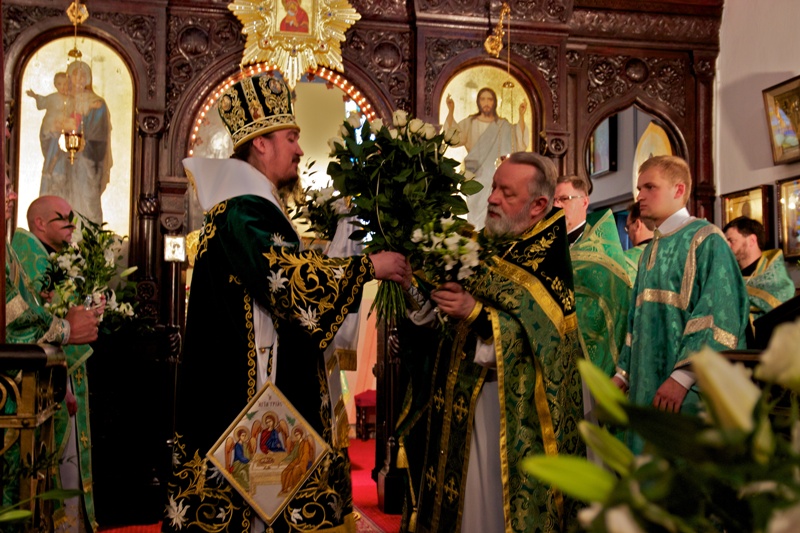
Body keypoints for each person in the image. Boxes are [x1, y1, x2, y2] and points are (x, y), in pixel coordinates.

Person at [163, 72, 410, 533]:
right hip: (246, 393)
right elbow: (286, 281)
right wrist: (366, 267)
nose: (299, 149)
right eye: (291, 138)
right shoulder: (243, 208)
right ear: (260, 143)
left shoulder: (247, 206)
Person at [399, 152, 585, 533]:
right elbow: (440, 316)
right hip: (456, 409)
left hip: (505, 418)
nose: (493, 198)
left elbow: (545, 345)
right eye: (495, 187)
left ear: (538, 205)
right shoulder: (482, 245)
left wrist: (476, 314)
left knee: (488, 512)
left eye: (507, 192)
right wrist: (412, 287)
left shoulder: (547, 261)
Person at [612, 156, 748, 454]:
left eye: (650, 187)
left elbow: (719, 315)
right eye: (639, 188)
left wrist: (682, 377)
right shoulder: (650, 249)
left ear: (679, 189)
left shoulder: (706, 239)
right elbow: (636, 320)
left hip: (685, 393)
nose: (640, 196)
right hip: (646, 387)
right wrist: (622, 375)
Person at [2, 176, 101, 517]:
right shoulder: (27, 254)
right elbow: (16, 317)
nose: (12, 194)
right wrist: (67, 328)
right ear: (40, 223)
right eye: (5, 187)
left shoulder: (19, 251)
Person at [554, 175, 631, 377]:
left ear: (584, 202)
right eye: (554, 200)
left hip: (589, 360)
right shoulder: (548, 245)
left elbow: (612, 305)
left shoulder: (602, 251)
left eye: (564, 199)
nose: (557, 205)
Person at [444, 87, 528, 229]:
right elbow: (453, 138)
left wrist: (521, 115)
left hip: (494, 176)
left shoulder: (502, 125)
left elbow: (518, 142)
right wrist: (451, 111)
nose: (486, 103)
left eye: (489, 99)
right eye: (483, 99)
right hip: (475, 175)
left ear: (494, 102)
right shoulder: (470, 122)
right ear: (478, 102)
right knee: (475, 211)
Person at [40, 60, 112, 225]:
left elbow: (100, 136)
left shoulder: (97, 104)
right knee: (59, 204)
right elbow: (47, 131)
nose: (78, 80)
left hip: (85, 163)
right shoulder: (62, 101)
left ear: (88, 79)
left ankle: (87, 236)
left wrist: (84, 144)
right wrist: (53, 129)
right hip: (60, 162)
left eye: (82, 76)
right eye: (74, 75)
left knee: (87, 205)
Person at [723, 216, 795, 323]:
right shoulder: (726, 274)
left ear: (752, 240)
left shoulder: (777, 279)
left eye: (731, 240)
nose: (726, 246)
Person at [27, 72, 70, 179]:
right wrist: (35, 96)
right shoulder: (53, 97)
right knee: (51, 149)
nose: (63, 87)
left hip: (61, 130)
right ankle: (48, 170)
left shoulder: (70, 100)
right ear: (55, 85)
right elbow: (42, 102)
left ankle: (52, 171)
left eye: (65, 84)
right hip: (49, 129)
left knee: (58, 152)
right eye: (60, 84)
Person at [624, 200, 655, 274]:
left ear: (637, 225)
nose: (628, 234)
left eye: (628, 227)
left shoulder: (624, 260)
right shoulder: (667, 253)